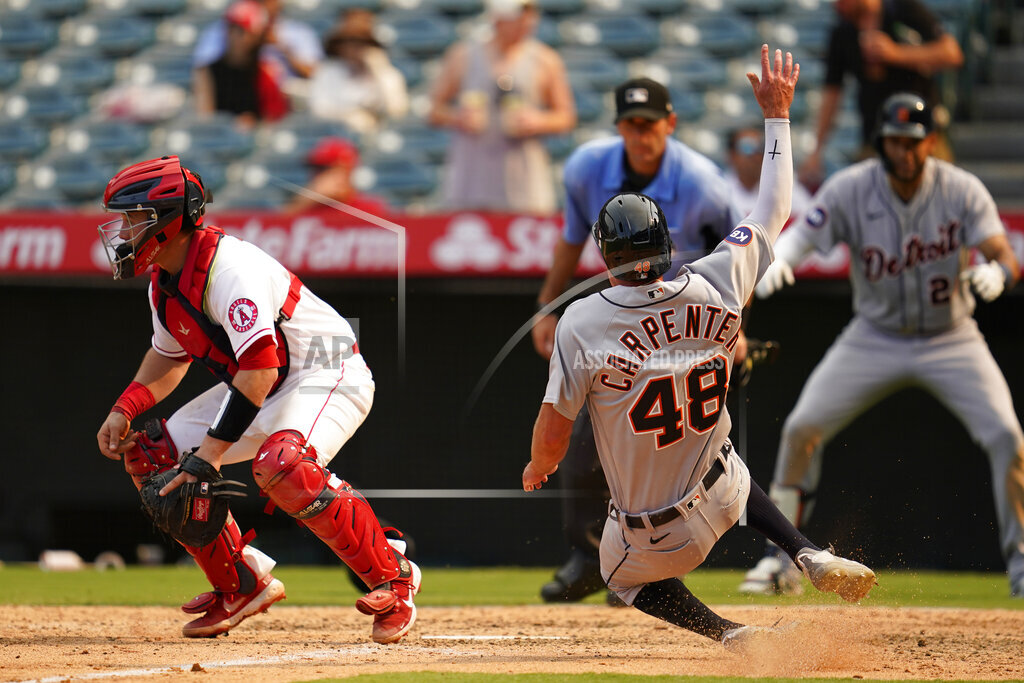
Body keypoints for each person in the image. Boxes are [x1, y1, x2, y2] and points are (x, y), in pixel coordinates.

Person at [522, 46, 876, 650]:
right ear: (667, 242)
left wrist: (540, 464)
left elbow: (554, 432)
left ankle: (730, 633)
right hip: (722, 495)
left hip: (650, 539)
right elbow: (775, 209)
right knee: (727, 464)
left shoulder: (582, 321)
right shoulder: (718, 280)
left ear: (605, 258)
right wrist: (777, 116)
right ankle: (805, 551)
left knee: (619, 577)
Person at [94, 155, 420, 643]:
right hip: (263, 383)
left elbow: (260, 367)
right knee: (152, 453)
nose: (122, 231)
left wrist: (210, 455)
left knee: (283, 464)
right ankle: (240, 583)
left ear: (166, 220)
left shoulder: (230, 269)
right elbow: (169, 358)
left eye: (133, 218)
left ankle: (394, 579)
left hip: (326, 371)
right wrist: (126, 407)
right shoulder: (164, 283)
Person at [744, 91, 1024, 599]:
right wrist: (783, 256)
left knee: (1008, 436)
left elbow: (1005, 253)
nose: (905, 152)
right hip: (873, 335)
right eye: (895, 141)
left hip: (952, 336)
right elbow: (804, 235)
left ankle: (1022, 565)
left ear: (930, 142)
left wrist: (1000, 274)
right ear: (881, 143)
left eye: (913, 142)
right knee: (802, 428)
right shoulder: (852, 187)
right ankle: (782, 562)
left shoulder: (961, 189)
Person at [530, 75, 742, 604]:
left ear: (670, 123)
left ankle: (650, 564)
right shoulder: (586, 169)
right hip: (622, 314)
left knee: (677, 452)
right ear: (620, 125)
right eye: (631, 123)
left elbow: (738, 266)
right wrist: (546, 305)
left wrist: (730, 329)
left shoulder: (703, 183)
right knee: (586, 449)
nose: (640, 133)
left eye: (650, 124)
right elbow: (570, 239)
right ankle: (591, 557)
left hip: (686, 320)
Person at [427, 0, 575, 214]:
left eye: (529, 15)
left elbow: (566, 117)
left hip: (524, 180)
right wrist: (458, 118)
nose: (525, 22)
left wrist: (538, 121)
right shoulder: (463, 56)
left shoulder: (545, 60)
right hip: (471, 179)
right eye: (518, 16)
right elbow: (433, 110)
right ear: (497, 19)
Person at [800, 0, 963, 188]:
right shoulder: (843, 31)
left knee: (937, 199)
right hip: (875, 140)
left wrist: (896, 54)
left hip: (921, 138)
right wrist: (816, 151)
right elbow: (832, 93)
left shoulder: (903, 10)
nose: (836, 5)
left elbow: (952, 53)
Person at [308, 9, 409, 134]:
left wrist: (380, 71)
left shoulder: (388, 74)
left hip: (379, 138)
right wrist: (349, 115)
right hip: (337, 136)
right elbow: (319, 109)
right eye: (348, 43)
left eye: (361, 43)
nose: (353, 49)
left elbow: (397, 110)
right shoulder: (328, 72)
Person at [193, 0, 288, 126]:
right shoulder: (207, 72)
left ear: (256, 36)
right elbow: (205, 119)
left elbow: (275, 119)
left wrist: (254, 124)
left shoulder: (267, 71)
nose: (234, 35)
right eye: (231, 27)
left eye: (242, 30)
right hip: (221, 141)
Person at [193, 0, 322, 86]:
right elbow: (203, 73)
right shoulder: (225, 30)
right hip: (236, 97)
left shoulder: (299, 31)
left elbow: (314, 74)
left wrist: (280, 46)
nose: (264, 6)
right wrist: (244, 44)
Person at [724, 123, 813, 220]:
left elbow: (808, 223)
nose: (755, 154)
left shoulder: (785, 188)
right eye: (747, 147)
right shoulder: (720, 190)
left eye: (761, 147)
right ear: (731, 155)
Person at [285, 136, 390, 216]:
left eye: (324, 169)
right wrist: (306, 201)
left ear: (346, 171)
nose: (317, 176)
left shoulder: (369, 209)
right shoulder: (307, 208)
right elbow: (277, 229)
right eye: (315, 169)